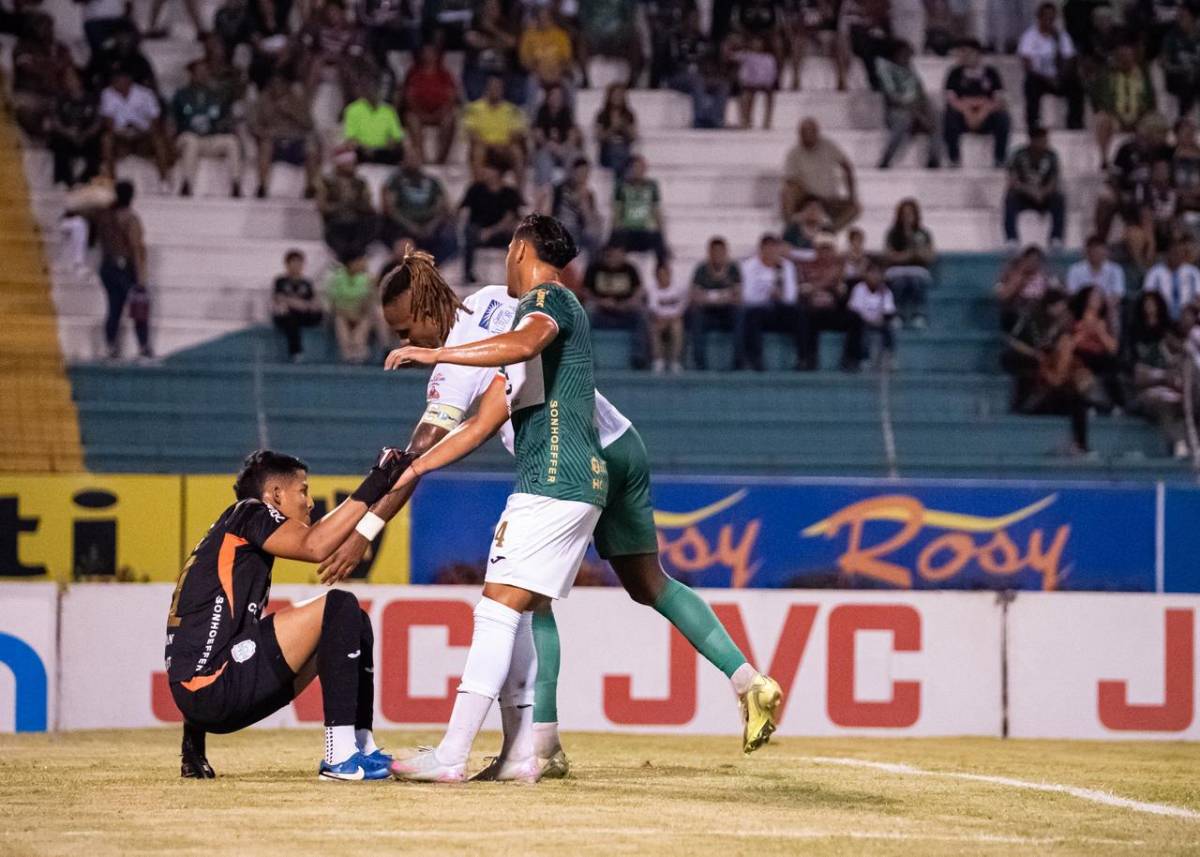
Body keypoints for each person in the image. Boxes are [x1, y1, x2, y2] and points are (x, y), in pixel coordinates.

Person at [362, 224, 780, 780]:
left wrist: (365, 528)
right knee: (648, 582)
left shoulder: (464, 357)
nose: (398, 335)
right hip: (621, 440)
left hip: (568, 459)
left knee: (527, 601)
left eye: (401, 326)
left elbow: (428, 441)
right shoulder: (496, 300)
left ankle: (538, 746)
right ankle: (747, 679)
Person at [167, 447, 414, 781]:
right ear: (276, 495)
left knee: (353, 619)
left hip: (208, 697)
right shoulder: (249, 511)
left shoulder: (226, 539)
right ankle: (339, 757)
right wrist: (378, 479)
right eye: (304, 490)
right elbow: (315, 546)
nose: (310, 502)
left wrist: (192, 750)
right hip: (213, 690)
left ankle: (361, 747)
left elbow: (196, 639)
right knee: (338, 605)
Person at [93, 180, 151, 360]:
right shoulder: (131, 219)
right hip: (125, 268)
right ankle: (143, 347)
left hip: (107, 267)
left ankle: (110, 347)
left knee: (114, 309)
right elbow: (136, 248)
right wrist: (141, 278)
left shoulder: (105, 217)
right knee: (138, 308)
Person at [1095, 113, 1172, 242]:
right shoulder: (1127, 149)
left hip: (1155, 196)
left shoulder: (1166, 152)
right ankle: (1100, 242)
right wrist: (1121, 194)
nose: (1164, 137)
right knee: (1105, 200)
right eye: (1160, 133)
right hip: (1129, 194)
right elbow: (1115, 177)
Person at [172, 60, 242, 198]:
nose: (202, 75)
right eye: (199, 72)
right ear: (191, 74)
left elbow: (222, 118)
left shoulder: (215, 95)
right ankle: (187, 184)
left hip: (209, 138)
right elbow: (174, 119)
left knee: (231, 141)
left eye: (205, 72)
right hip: (187, 137)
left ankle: (236, 184)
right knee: (191, 141)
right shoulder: (181, 94)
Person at [248, 74, 321, 199]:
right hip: (274, 142)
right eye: (274, 85)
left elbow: (309, 124)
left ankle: (310, 187)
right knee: (266, 145)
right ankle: (262, 187)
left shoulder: (296, 100)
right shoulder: (262, 101)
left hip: (295, 142)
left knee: (312, 146)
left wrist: (291, 111)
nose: (277, 88)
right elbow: (253, 126)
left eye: (280, 84)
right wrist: (265, 133)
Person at [796, 232, 861, 371]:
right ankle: (807, 359)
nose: (825, 253)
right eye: (822, 249)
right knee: (802, 316)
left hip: (833, 310)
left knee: (856, 318)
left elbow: (844, 294)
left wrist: (838, 289)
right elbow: (802, 291)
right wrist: (825, 283)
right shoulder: (807, 267)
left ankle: (851, 359)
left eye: (828, 249)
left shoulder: (841, 269)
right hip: (813, 311)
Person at [381, 147, 459, 263]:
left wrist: (431, 225)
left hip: (431, 226)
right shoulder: (395, 181)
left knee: (449, 237)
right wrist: (411, 226)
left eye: (416, 158)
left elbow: (443, 206)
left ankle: (433, 268)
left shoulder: (433, 181)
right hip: (404, 227)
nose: (413, 161)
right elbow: (390, 209)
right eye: (410, 158)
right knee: (402, 244)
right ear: (403, 160)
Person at [781, 118, 860, 231]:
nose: (807, 136)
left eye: (810, 132)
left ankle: (830, 230)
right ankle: (790, 229)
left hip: (829, 199)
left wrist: (852, 195)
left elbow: (847, 167)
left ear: (817, 132)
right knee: (786, 191)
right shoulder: (794, 153)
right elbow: (790, 180)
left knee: (855, 209)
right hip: (806, 199)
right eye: (803, 133)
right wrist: (809, 197)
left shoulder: (829, 146)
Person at [943, 38, 1011, 169]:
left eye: (967, 52)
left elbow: (999, 100)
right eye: (961, 53)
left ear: (977, 54)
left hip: (986, 117)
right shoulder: (954, 73)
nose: (963, 56)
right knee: (949, 116)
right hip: (963, 117)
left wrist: (983, 112)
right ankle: (954, 158)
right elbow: (952, 100)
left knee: (1003, 118)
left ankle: (999, 159)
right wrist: (968, 111)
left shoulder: (991, 73)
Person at [737, 233, 801, 371]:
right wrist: (765, 295)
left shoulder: (786, 266)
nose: (771, 252)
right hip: (759, 308)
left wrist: (780, 296)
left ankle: (803, 358)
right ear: (761, 249)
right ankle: (755, 359)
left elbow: (792, 296)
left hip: (781, 308)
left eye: (774, 248)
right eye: (768, 248)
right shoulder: (749, 266)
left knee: (799, 313)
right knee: (752, 316)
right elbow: (746, 296)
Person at [1018, 2, 1085, 132]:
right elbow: (1027, 64)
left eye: (1052, 17)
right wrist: (1046, 77)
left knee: (1077, 85)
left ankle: (1075, 122)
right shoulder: (1029, 36)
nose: (1049, 20)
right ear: (1039, 18)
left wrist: (1061, 76)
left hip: (1059, 77)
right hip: (1040, 78)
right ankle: (1033, 122)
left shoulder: (1061, 36)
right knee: (1030, 84)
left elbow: (1070, 58)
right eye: (1046, 17)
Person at [875, 40, 942, 170]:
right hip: (897, 111)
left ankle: (934, 159)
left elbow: (920, 93)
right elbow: (892, 98)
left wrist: (922, 111)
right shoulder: (886, 70)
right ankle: (886, 159)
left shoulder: (911, 71)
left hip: (916, 109)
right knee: (903, 120)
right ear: (896, 54)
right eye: (904, 54)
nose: (907, 58)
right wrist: (916, 112)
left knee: (936, 115)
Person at [584, 241, 650, 369]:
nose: (614, 258)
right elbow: (585, 291)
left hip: (624, 310)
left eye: (618, 254)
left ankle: (639, 357)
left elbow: (639, 291)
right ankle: (587, 357)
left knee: (641, 314)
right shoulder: (594, 268)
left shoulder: (630, 269)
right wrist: (600, 302)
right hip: (601, 310)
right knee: (586, 313)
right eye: (611, 255)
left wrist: (626, 304)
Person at [100, 69, 173, 185]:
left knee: (158, 140)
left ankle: (165, 180)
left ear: (128, 80)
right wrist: (121, 132)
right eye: (114, 81)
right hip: (121, 138)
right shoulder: (107, 93)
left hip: (142, 137)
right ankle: (111, 181)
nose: (115, 83)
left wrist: (141, 130)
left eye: (118, 80)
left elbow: (155, 120)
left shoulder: (146, 94)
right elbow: (108, 123)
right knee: (106, 140)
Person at [1091, 42, 1157, 170]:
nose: (1125, 59)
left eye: (1128, 56)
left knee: (1156, 122)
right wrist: (1116, 115)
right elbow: (1101, 100)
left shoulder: (1143, 74)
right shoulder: (1108, 75)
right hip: (1115, 117)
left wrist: (1142, 113)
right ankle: (1104, 159)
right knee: (1102, 120)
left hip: (1139, 117)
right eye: (1121, 56)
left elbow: (1150, 99)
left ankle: (1153, 160)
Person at [460, 156, 524, 284]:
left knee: (517, 237)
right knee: (469, 232)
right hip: (477, 230)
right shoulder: (475, 189)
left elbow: (510, 219)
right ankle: (468, 274)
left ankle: (517, 275)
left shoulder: (509, 192)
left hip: (500, 231)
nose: (484, 171)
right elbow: (462, 208)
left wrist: (490, 231)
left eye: (488, 169)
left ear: (498, 172)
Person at [1003, 127, 1066, 247]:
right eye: (1042, 140)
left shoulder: (1051, 156)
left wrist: (1043, 192)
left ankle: (1056, 238)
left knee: (1059, 199)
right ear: (1033, 140)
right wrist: (1030, 191)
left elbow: (1054, 181)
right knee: (1010, 198)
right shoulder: (1018, 155)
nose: (1045, 143)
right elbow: (1012, 181)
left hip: (1044, 195)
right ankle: (1011, 239)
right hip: (1024, 195)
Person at [687, 236, 742, 370]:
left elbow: (738, 296)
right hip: (707, 313)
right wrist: (722, 296)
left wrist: (710, 297)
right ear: (709, 253)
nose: (717, 255)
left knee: (739, 313)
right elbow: (695, 296)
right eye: (714, 252)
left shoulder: (733, 269)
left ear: (726, 252)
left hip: (726, 312)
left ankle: (738, 361)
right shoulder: (701, 270)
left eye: (720, 252)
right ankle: (700, 363)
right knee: (695, 314)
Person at [400, 43, 459, 165]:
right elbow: (408, 98)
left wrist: (440, 113)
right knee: (411, 118)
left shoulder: (444, 74)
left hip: (440, 113)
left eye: (431, 53)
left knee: (450, 119)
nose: (428, 56)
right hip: (419, 113)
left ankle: (440, 160)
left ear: (436, 56)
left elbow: (452, 97)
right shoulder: (414, 73)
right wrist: (421, 114)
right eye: (425, 53)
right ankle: (420, 157)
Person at [316, 146, 378, 263]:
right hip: (336, 223)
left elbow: (368, 206)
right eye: (349, 163)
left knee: (373, 222)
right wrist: (342, 205)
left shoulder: (360, 183)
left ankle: (356, 256)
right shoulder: (327, 182)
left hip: (357, 223)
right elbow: (322, 207)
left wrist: (355, 204)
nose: (353, 166)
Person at [463, 74, 528, 185]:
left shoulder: (512, 109)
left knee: (516, 151)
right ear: (487, 89)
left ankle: (519, 194)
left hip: (504, 148)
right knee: (479, 149)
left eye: (498, 88)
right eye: (492, 87)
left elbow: (517, 134)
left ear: (502, 90)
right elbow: (472, 133)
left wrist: (503, 145)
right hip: (484, 147)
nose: (495, 90)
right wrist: (491, 145)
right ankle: (479, 190)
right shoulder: (474, 108)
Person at [1069, 284, 1125, 411]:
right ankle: (1086, 405)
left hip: (1100, 356)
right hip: (1079, 355)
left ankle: (1118, 404)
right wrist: (1083, 333)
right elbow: (1069, 344)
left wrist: (1100, 332)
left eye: (1099, 297)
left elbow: (1113, 348)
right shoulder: (1074, 320)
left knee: (1112, 364)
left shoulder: (1106, 321)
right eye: (1093, 296)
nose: (1096, 300)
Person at [883, 198, 936, 329]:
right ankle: (896, 314)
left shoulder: (924, 233)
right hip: (898, 270)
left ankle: (918, 314)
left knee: (916, 282)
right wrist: (909, 255)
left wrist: (914, 253)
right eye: (904, 214)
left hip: (917, 269)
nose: (907, 218)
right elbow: (890, 255)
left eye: (910, 214)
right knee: (899, 283)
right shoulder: (893, 233)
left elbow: (929, 255)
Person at [48, 68, 103, 188]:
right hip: (66, 135)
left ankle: (89, 178)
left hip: (87, 135)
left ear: (80, 80)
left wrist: (86, 134)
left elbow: (97, 121)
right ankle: (63, 180)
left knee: (97, 143)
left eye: (72, 78)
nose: (69, 81)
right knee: (59, 143)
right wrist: (67, 132)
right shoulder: (60, 98)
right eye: (67, 79)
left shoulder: (92, 98)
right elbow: (55, 120)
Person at [610, 156, 668, 263]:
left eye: (640, 167)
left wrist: (661, 232)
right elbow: (617, 211)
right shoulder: (622, 186)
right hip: (627, 231)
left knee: (660, 244)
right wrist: (615, 229)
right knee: (615, 240)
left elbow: (656, 210)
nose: (637, 170)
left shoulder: (652, 186)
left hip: (645, 231)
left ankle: (662, 272)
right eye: (635, 167)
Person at [1066, 235, 1126, 332]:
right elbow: (1072, 294)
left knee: (1114, 313)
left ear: (1106, 252)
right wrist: (1089, 307)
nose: (1096, 254)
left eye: (1099, 250)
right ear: (1087, 252)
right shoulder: (1075, 269)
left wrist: (1101, 305)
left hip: (1106, 308)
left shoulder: (1116, 269)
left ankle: (1113, 344)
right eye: (1093, 250)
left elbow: (1118, 295)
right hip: (1082, 308)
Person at [531, 84, 584, 193]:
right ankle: (543, 192)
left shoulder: (566, 112)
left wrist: (563, 148)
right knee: (543, 159)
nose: (556, 98)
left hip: (564, 148)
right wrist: (549, 145)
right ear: (548, 97)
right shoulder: (542, 111)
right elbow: (538, 134)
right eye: (553, 95)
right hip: (545, 147)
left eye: (559, 96)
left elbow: (572, 135)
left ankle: (571, 191)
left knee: (575, 156)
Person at [272, 249, 323, 363]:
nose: (297, 266)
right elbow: (279, 298)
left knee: (318, 314)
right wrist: (298, 304)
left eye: (299, 263)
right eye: (293, 263)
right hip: (287, 315)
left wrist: (304, 305)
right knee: (289, 317)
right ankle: (296, 352)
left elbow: (312, 302)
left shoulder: (307, 283)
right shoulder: (280, 281)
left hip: (302, 314)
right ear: (287, 264)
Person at [342, 82, 407, 165]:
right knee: (353, 151)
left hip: (383, 151)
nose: (374, 93)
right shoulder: (352, 109)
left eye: (377, 91)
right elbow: (351, 138)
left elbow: (397, 136)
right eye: (371, 90)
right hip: (362, 150)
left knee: (398, 151)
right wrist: (365, 148)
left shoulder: (388, 110)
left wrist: (391, 143)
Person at [847, 260, 896, 367]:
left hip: (879, 321)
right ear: (866, 274)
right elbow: (855, 309)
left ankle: (889, 357)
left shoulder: (886, 291)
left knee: (890, 328)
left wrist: (880, 320)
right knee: (860, 329)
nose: (874, 276)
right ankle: (864, 358)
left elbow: (888, 310)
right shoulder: (859, 288)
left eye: (877, 273)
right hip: (863, 320)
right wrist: (869, 320)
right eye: (872, 273)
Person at [327, 256, 376, 364]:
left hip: (360, 314)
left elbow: (369, 302)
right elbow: (333, 303)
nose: (363, 263)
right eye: (360, 261)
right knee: (340, 321)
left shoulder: (367, 279)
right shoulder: (337, 278)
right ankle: (347, 353)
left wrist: (358, 313)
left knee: (365, 321)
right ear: (351, 263)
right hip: (342, 313)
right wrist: (348, 313)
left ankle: (358, 347)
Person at [518, 5, 574, 96]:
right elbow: (525, 61)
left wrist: (558, 73)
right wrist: (540, 73)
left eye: (546, 18)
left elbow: (566, 59)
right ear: (536, 19)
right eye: (540, 18)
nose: (543, 21)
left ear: (552, 19)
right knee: (531, 81)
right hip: (537, 75)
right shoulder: (528, 36)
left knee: (568, 83)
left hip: (558, 74)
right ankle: (530, 110)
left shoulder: (561, 35)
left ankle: (569, 110)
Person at [647, 261, 689, 373]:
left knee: (677, 326)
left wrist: (672, 318)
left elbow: (682, 308)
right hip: (660, 319)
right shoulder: (652, 290)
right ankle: (658, 360)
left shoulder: (679, 288)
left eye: (664, 274)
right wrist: (664, 320)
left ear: (669, 274)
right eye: (660, 275)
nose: (662, 277)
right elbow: (654, 310)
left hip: (675, 319)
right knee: (655, 327)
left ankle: (675, 361)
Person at [1144, 237, 1200, 320]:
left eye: (1179, 252)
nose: (1176, 255)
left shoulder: (1193, 271)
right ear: (1167, 253)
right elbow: (1148, 296)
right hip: (1162, 315)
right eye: (1174, 252)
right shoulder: (1155, 271)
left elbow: (1198, 296)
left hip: (1188, 315)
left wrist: (1190, 310)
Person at [1162, 4, 1200, 119]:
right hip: (1178, 77)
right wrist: (1181, 69)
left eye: (1183, 17)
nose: (1179, 20)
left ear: (1194, 19)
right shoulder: (1171, 37)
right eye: (1178, 17)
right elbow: (1165, 63)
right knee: (1188, 81)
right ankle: (1182, 119)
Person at [733, 34, 778, 130]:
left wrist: (768, 82)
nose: (757, 45)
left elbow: (772, 72)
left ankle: (767, 120)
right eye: (754, 42)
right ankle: (746, 119)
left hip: (765, 84)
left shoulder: (769, 57)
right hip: (750, 84)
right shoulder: (747, 55)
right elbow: (733, 57)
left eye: (759, 43)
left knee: (770, 94)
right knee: (746, 94)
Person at [594, 83, 638, 177]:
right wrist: (612, 128)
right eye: (615, 95)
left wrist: (624, 126)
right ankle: (620, 183)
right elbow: (599, 137)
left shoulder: (629, 115)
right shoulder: (602, 115)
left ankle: (619, 182)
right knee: (617, 152)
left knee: (622, 153)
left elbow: (633, 137)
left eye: (620, 95)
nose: (617, 97)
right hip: (607, 152)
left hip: (624, 150)